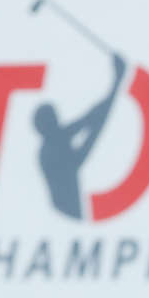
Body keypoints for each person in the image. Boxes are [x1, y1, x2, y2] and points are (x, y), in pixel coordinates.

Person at [35, 53, 129, 220]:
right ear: (47, 127)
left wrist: (117, 81)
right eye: (55, 120)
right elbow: (91, 133)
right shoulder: (50, 153)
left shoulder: (57, 138)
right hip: (65, 221)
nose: (60, 124)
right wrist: (116, 82)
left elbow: (91, 117)